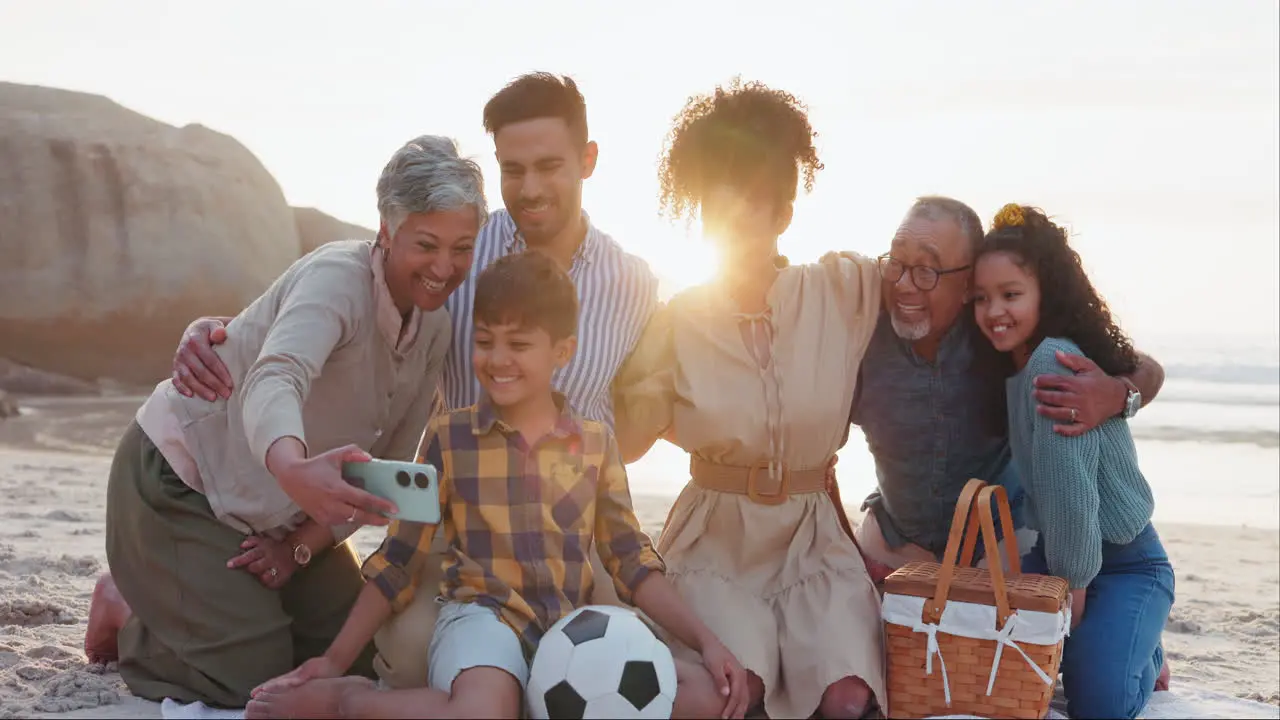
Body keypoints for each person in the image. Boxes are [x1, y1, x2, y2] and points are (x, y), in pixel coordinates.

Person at [166, 72, 661, 689]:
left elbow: (645, 411)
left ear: (587, 161)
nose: (530, 189)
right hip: (453, 533)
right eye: (513, 169)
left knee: (634, 674)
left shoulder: (636, 285)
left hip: (573, 534)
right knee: (402, 664)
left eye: (549, 166)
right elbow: (350, 299)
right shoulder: (459, 253)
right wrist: (219, 330)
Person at [244, 251, 750, 720]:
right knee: (482, 713)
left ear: (563, 351)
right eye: (485, 341)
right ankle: (350, 702)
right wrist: (334, 661)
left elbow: (631, 562)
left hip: (572, 627)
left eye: (519, 343)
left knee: (707, 697)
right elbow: (397, 562)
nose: (498, 358)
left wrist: (706, 642)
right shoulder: (448, 438)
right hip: (482, 619)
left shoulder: (596, 445)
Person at [83, 136, 488, 707]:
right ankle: (128, 612)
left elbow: (375, 477)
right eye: (426, 244)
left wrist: (297, 548)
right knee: (252, 678)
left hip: (279, 517)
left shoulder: (434, 329)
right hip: (183, 481)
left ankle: (202, 599)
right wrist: (293, 468)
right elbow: (275, 377)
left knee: (368, 655)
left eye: (462, 247)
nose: (443, 267)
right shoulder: (337, 279)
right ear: (387, 230)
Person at [612, 78, 885, 720]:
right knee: (739, 691)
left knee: (846, 700)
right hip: (716, 540)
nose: (730, 228)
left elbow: (946, 286)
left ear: (783, 214)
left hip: (815, 538)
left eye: (749, 209)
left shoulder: (842, 291)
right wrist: (649, 391)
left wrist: (1118, 383)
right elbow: (621, 444)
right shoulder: (675, 319)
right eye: (714, 211)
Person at [850, 195, 1168, 580]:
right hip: (895, 544)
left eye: (928, 270)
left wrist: (1117, 395)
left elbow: (1145, 369)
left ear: (967, 283)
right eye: (897, 262)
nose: (904, 284)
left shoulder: (998, 335)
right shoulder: (862, 336)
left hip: (999, 544)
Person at [971, 203, 1175, 719]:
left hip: (1126, 563)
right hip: (1061, 556)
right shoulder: (1013, 366)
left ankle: (1144, 653)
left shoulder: (1049, 363)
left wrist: (1073, 595)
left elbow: (1072, 497)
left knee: (1097, 703)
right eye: (981, 298)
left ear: (1047, 293)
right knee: (994, 669)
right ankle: (1127, 641)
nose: (994, 311)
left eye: (1011, 295)